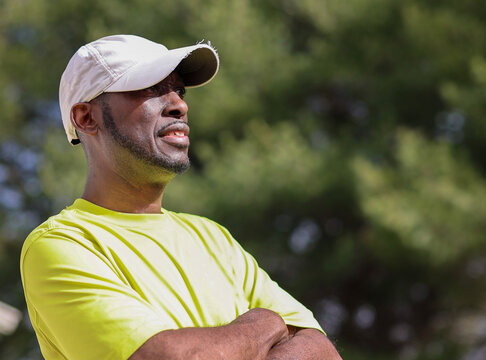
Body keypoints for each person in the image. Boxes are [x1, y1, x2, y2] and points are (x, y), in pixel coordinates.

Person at [20, 34, 342, 360]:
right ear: (86, 118)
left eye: (179, 90)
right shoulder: (63, 244)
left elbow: (323, 352)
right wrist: (266, 321)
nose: (180, 104)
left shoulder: (213, 238)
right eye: (150, 87)